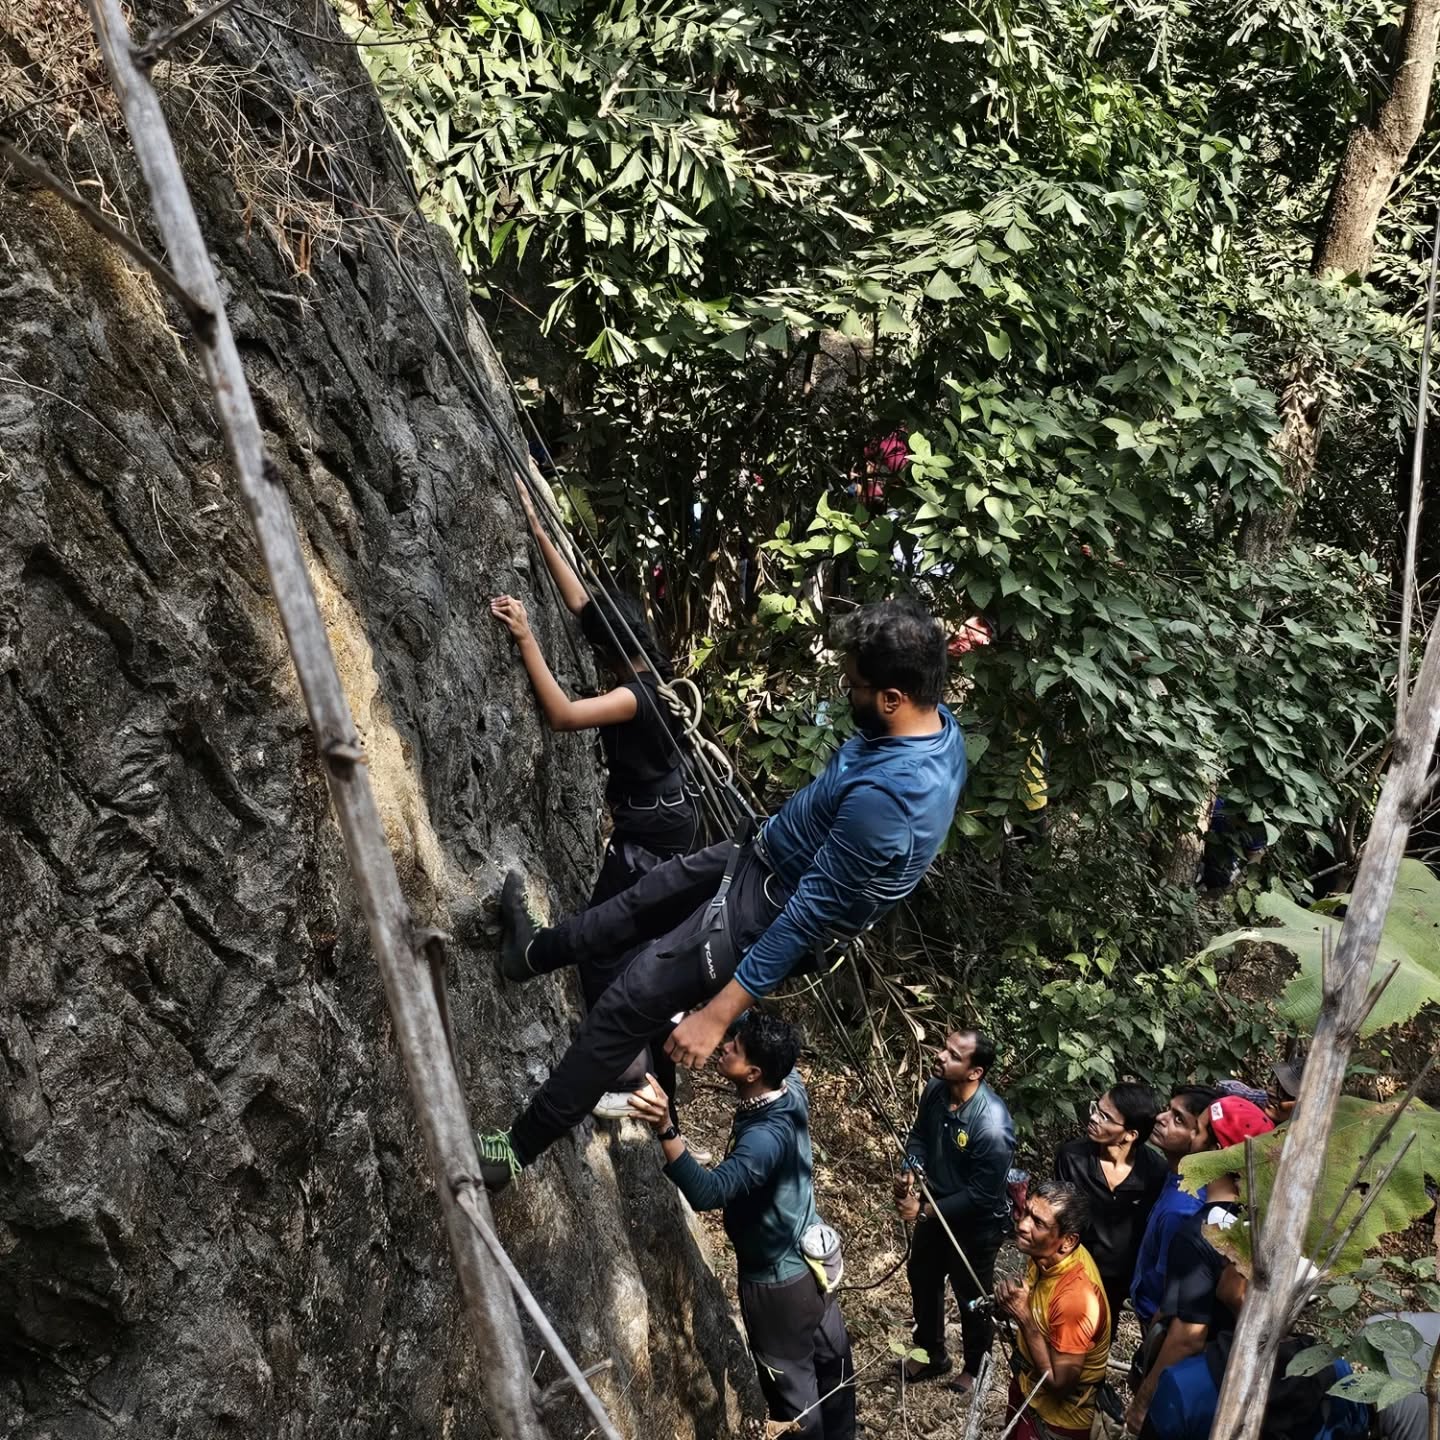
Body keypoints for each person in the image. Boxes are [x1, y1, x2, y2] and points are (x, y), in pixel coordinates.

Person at [475, 597, 967, 1189]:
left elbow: (805, 917)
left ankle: (512, 1153)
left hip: (765, 912)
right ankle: (531, 955)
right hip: (761, 855)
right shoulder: (936, 729)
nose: (847, 693)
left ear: (893, 698)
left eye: (856, 686)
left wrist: (715, 1015)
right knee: (641, 901)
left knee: (627, 1004)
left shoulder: (891, 804)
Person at [627, 1012, 856, 1439]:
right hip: (814, 1270)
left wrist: (665, 1125)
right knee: (834, 1376)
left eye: (735, 1047)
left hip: (778, 1292)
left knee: (796, 1405)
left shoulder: (764, 1140)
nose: (725, 1046)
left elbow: (709, 1192)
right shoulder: (791, 1087)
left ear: (753, 1072)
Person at [1125, 1096, 1274, 1434]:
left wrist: (1144, 1401)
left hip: (1200, 1387)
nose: (1192, 1136)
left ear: (1217, 1151)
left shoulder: (1199, 1234)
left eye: (1200, 1130)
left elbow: (1187, 1337)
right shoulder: (1266, 1224)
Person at [895, 1029, 1015, 1390]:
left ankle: (976, 1368)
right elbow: (919, 1135)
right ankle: (931, 1353)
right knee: (922, 1276)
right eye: (944, 1048)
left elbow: (982, 1194)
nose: (941, 1056)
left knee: (972, 1297)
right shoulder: (936, 1090)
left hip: (975, 1225)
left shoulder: (992, 1125)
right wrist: (910, 1169)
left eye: (954, 1055)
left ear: (975, 1072)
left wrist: (924, 1212)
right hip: (934, 1206)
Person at [997, 1178, 1112, 1440]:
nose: (1022, 1225)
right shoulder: (1045, 1254)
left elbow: (1060, 1385)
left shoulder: (1076, 1298)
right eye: (1025, 1212)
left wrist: (1024, 1317)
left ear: (1068, 1241)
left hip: (1057, 1421)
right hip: (1030, 1392)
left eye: (1037, 1223)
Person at [1054, 1082, 1166, 1337]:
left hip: (1121, 1280)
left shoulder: (1155, 1172)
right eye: (1096, 1109)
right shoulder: (1072, 1158)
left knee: (1102, 1338)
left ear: (1130, 1134)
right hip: (1075, 1272)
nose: (1093, 1117)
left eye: (1105, 1117)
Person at [1129, 1086, 1221, 1334]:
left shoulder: (1183, 1207)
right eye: (1168, 1110)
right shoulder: (1174, 1177)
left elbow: (1172, 1291)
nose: (1161, 1118)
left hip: (1160, 1323)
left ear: (1201, 1139)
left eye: (1178, 1119)